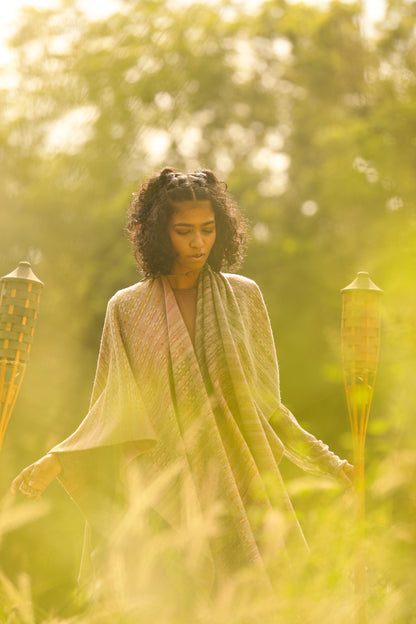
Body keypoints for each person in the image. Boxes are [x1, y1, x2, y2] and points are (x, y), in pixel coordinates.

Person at [11, 167, 353, 587]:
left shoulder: (245, 298)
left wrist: (331, 464)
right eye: (184, 230)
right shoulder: (127, 308)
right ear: (157, 233)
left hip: (239, 480)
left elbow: (266, 405)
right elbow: (113, 409)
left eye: (208, 229)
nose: (198, 242)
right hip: (163, 489)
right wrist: (58, 459)